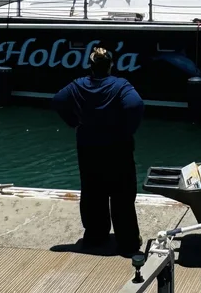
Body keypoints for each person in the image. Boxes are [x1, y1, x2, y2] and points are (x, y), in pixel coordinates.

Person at [51, 46, 144, 255]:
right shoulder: (121, 86)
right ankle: (127, 242)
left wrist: (74, 122)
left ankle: (95, 237)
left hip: (88, 149)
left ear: (90, 66)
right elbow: (136, 105)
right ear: (111, 65)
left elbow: (58, 100)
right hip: (118, 149)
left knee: (93, 193)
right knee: (122, 196)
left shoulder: (78, 85)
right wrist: (127, 129)